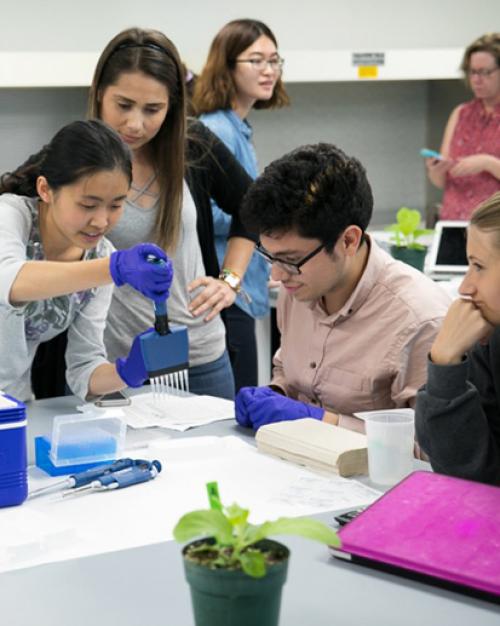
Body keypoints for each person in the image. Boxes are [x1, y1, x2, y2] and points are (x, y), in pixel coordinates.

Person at [86, 27, 257, 400]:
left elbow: (254, 206)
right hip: (117, 367)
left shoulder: (193, 146)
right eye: (124, 105)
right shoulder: (74, 157)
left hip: (202, 358)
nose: (135, 124)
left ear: (172, 106)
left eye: (153, 110)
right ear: (100, 94)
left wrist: (229, 280)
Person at [234, 143, 451, 433]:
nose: (277, 274)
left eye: (291, 260)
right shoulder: (299, 288)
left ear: (348, 240)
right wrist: (277, 393)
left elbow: (431, 449)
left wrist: (322, 421)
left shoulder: (419, 319)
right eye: (270, 256)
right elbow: (288, 371)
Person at [0, 119, 173, 402]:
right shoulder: (10, 215)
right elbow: (10, 281)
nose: (102, 221)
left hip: (12, 404)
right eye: (88, 205)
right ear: (45, 190)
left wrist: (129, 372)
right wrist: (114, 269)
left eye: (116, 205)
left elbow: (84, 367)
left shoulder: (101, 256)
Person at [193, 19, 289, 390]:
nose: (269, 70)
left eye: (275, 60)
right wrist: (267, 217)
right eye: (256, 60)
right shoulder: (216, 129)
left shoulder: (238, 127)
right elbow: (204, 212)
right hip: (224, 286)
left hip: (239, 287)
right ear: (226, 67)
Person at [415, 192, 500, 485]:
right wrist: (445, 361)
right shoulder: (492, 337)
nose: (465, 286)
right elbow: (467, 474)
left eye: (478, 266)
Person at [425, 33, 500, 220]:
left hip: (493, 231)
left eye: (485, 72)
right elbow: (442, 181)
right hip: (453, 224)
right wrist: (436, 170)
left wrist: (487, 163)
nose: (477, 79)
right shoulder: (461, 113)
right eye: (472, 72)